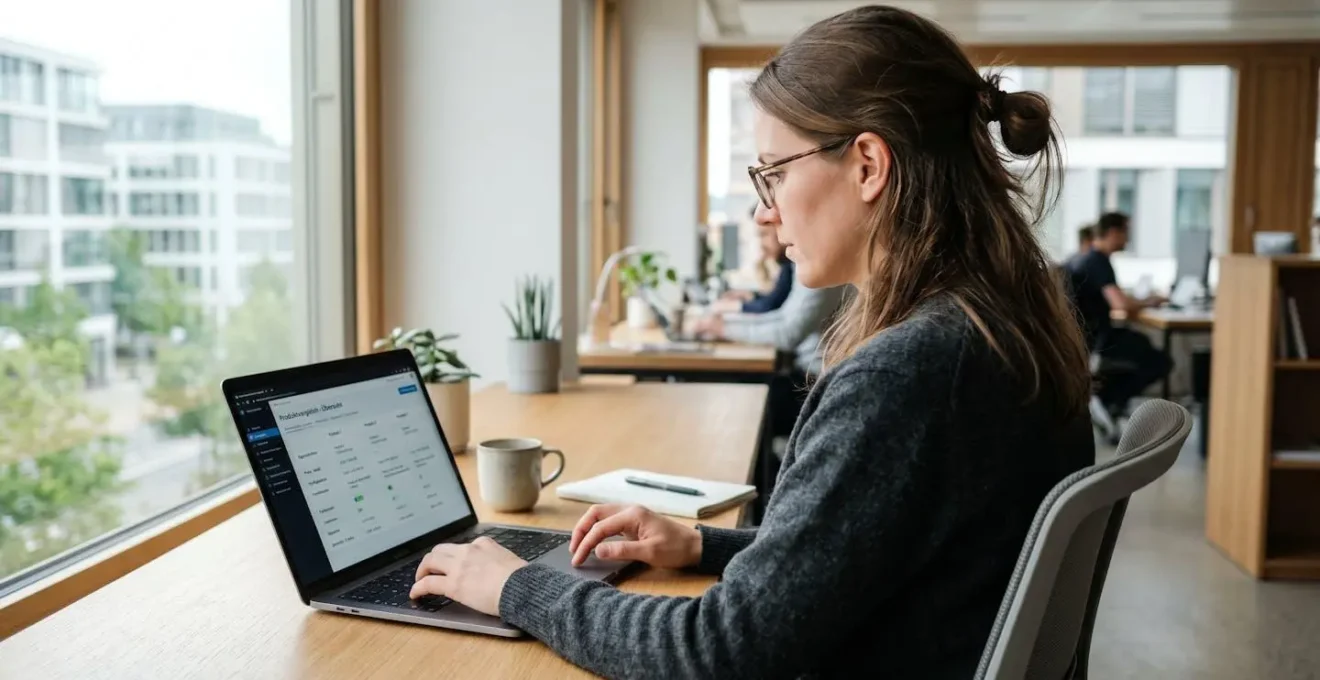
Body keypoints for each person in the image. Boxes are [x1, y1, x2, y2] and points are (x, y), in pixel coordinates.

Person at [407, 6, 1094, 678]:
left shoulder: (911, 374)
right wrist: (704, 543)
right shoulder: (999, 322)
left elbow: (719, 650)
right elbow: (861, 550)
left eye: (775, 172)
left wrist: (517, 587)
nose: (766, 210)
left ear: (867, 165)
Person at [1065, 212, 1172, 419]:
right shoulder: (1098, 261)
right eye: (1126, 232)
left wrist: (1137, 302)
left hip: (1087, 337)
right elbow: (1120, 304)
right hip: (1099, 341)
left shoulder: (1084, 258)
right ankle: (1109, 399)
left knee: (1143, 344)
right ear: (1113, 233)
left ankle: (1107, 398)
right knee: (1159, 362)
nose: (1128, 239)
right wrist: (1149, 301)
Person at [717, 216, 795, 314]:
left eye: (764, 235)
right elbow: (774, 298)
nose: (761, 245)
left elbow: (770, 305)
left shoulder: (792, 267)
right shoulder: (786, 266)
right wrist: (750, 296)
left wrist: (735, 306)